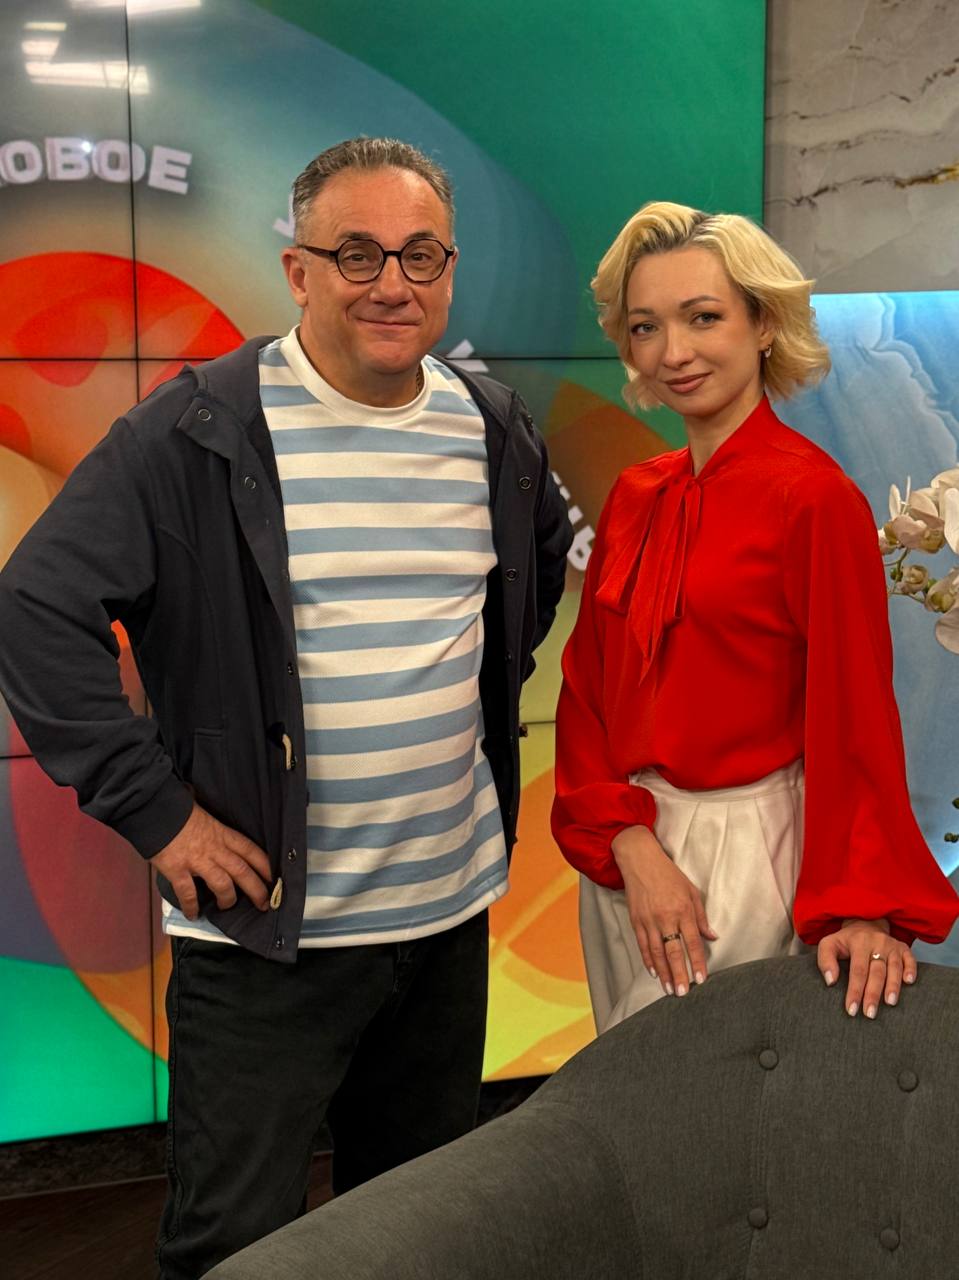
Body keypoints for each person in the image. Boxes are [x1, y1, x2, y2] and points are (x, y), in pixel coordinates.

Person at [0, 137, 572, 1277]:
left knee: (417, 1234)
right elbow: (36, 610)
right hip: (262, 934)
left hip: (444, 920)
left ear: (449, 270)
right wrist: (161, 815)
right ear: (298, 271)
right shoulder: (194, 431)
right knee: (234, 1246)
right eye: (356, 253)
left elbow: (533, 578)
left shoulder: (490, 426)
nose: (391, 282)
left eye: (419, 254)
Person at [550, 201, 958, 1035]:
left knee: (695, 1093)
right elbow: (585, 690)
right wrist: (626, 841)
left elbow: (852, 712)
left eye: (702, 317)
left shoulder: (814, 498)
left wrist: (860, 905)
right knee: (626, 1093)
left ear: (764, 323)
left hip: (746, 850)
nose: (673, 352)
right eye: (645, 326)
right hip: (626, 858)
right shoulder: (634, 494)